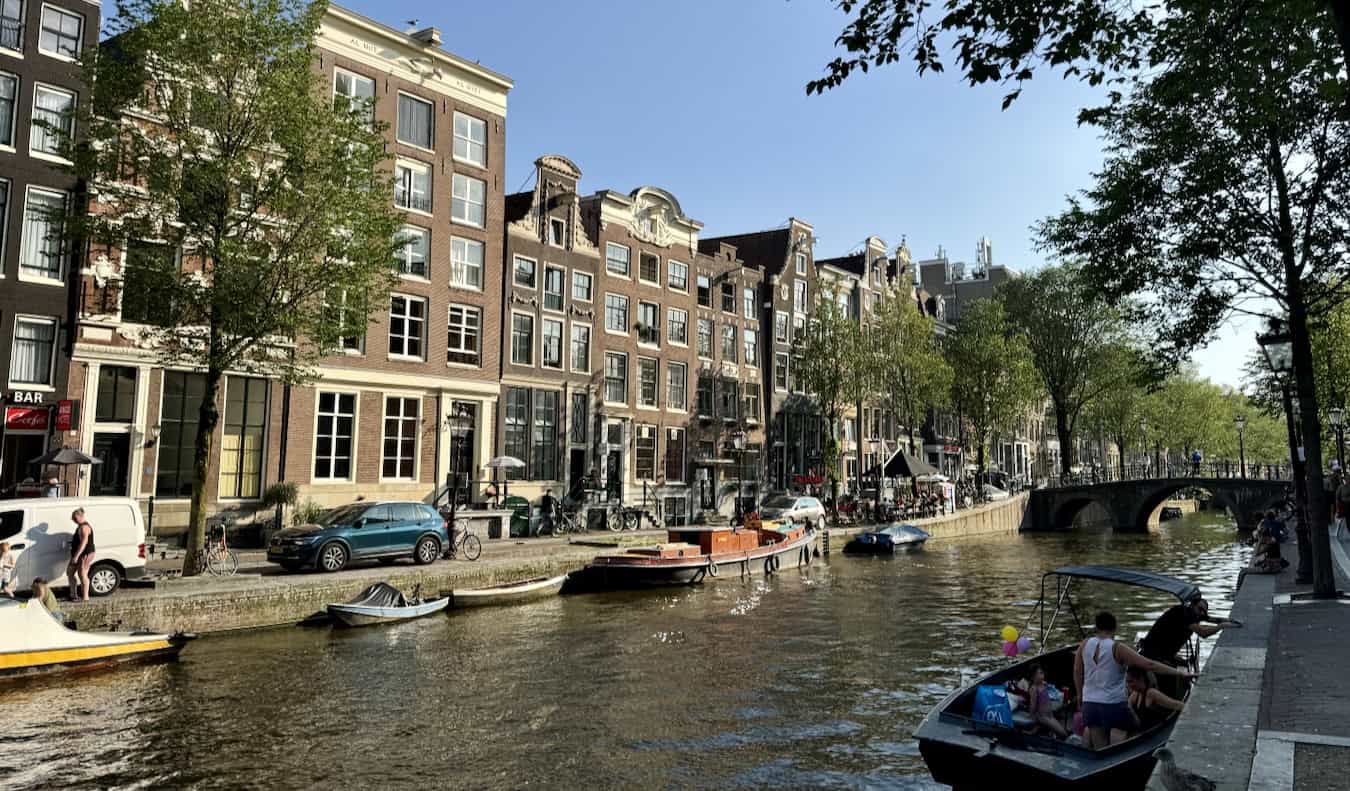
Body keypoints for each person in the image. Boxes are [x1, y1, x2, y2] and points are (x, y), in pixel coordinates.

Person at [1075, 611, 1194, 748]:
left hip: (1089, 704)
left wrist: (1079, 695)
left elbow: (1077, 671)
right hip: (1113, 705)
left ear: (1096, 627)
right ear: (1114, 628)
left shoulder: (1084, 644)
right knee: (1137, 727)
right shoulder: (1117, 648)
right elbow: (1150, 665)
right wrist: (1180, 673)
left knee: (1100, 747)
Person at [1138, 597, 1236, 668]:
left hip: (1163, 654)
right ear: (1192, 605)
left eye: (1204, 611)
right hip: (1152, 655)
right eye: (1200, 609)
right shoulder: (1184, 613)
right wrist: (1221, 626)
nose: (1202, 613)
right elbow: (1203, 633)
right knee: (1180, 669)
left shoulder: (1194, 613)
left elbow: (1213, 619)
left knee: (1184, 664)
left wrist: (1230, 621)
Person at [1125, 666, 1185, 732]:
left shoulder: (1152, 693)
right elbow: (1126, 708)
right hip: (1146, 733)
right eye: (1127, 682)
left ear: (1141, 679)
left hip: (1160, 732)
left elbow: (1177, 705)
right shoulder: (1135, 694)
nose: (1128, 685)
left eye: (1131, 681)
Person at [1026, 664, 1069, 739]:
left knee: (1064, 733)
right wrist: (1032, 717)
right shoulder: (1034, 689)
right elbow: (1033, 705)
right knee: (1063, 734)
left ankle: (1050, 733)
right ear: (1033, 677)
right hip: (1043, 717)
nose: (1043, 674)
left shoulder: (1043, 684)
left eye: (1042, 672)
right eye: (1040, 673)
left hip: (1050, 715)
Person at [66, 508, 96, 602]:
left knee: (82, 575)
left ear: (81, 516)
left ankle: (85, 598)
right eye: (73, 518)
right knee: (70, 572)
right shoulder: (80, 526)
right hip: (77, 554)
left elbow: (84, 543)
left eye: (75, 518)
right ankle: (73, 595)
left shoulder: (84, 527)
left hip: (84, 554)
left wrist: (76, 556)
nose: (73, 520)